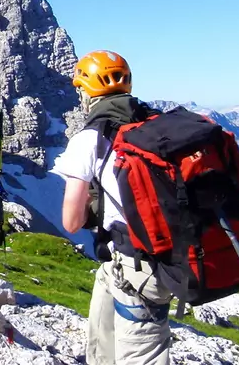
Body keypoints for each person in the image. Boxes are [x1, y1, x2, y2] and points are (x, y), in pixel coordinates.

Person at [50, 51, 172, 365]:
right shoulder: (156, 123)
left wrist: (93, 199)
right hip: (160, 250)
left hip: (140, 261)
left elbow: (72, 222)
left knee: (142, 355)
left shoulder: (90, 138)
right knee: (105, 296)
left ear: (87, 91)